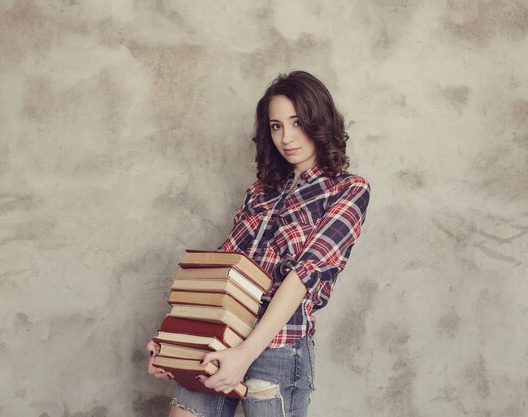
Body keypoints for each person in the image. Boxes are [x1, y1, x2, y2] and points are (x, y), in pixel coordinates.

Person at [147, 70, 371, 417]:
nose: (287, 137)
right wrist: (172, 341)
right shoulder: (260, 192)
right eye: (276, 125)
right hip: (222, 336)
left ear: (319, 121)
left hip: (278, 347)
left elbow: (303, 276)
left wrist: (246, 353)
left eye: (297, 122)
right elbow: (221, 270)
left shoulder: (349, 190)